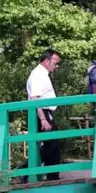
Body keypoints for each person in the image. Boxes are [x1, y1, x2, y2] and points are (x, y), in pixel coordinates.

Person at [26, 49, 62, 181]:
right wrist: (42, 119)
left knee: (53, 145)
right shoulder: (38, 75)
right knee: (51, 144)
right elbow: (34, 98)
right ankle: (25, 170)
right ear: (47, 61)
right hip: (41, 112)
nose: (56, 66)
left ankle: (53, 176)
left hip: (45, 112)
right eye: (55, 62)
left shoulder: (42, 74)